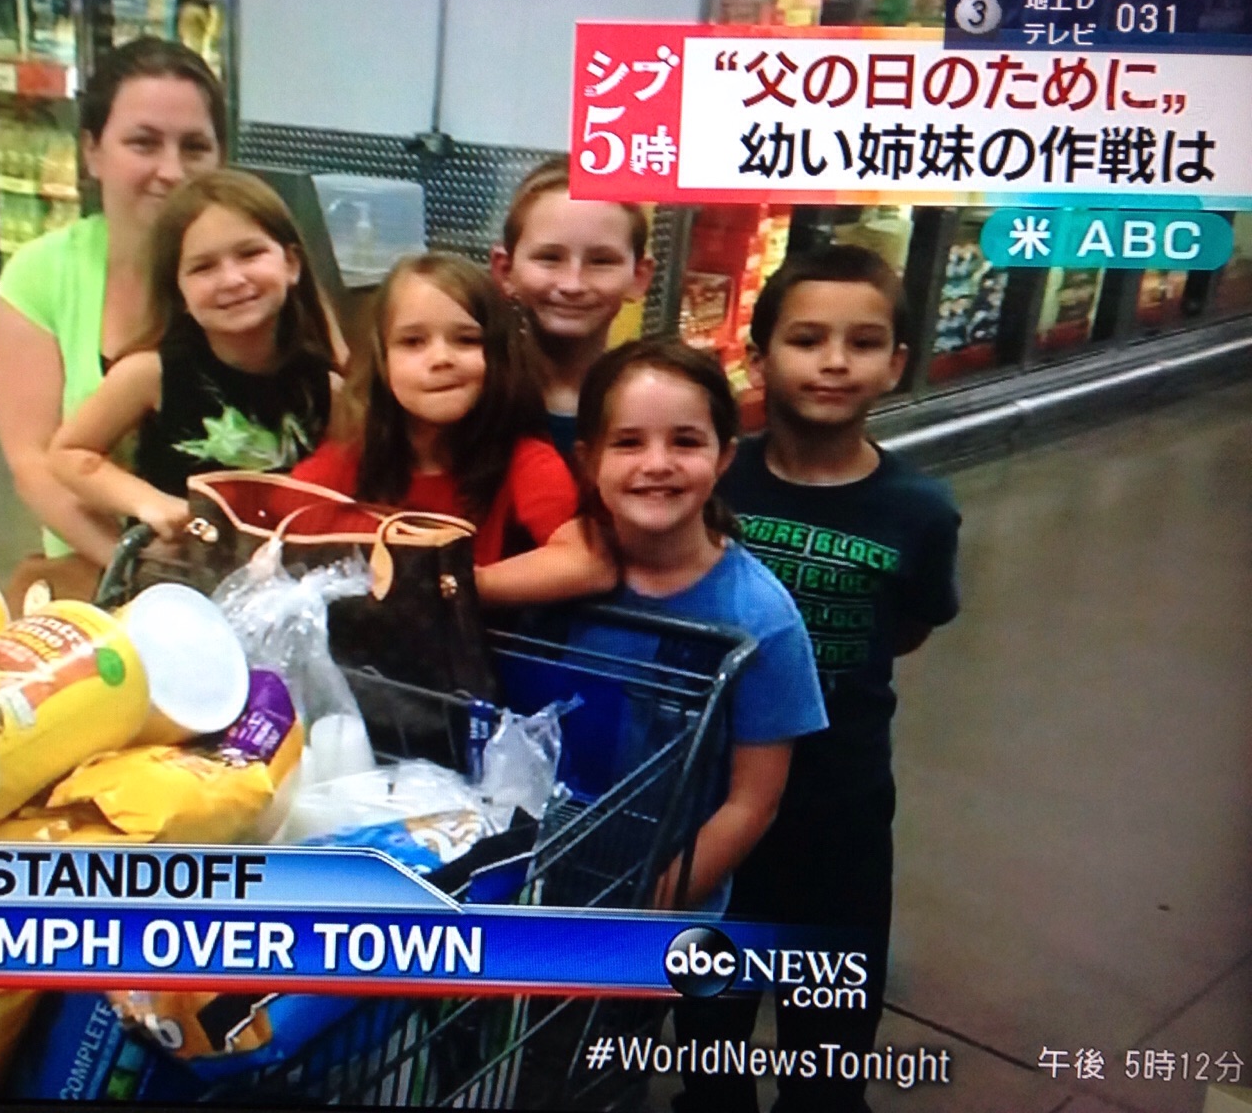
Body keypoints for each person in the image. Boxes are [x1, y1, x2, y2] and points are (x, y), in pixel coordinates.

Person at [699, 244, 962, 1113]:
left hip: (841, 806)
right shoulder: (712, 479)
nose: (835, 361)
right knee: (709, 1028)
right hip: (715, 801)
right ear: (758, 356)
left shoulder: (920, 510)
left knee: (830, 1041)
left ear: (896, 363)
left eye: (863, 342)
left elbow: (909, 627)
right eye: (807, 339)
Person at [0, 37, 343, 608]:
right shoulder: (41, 275)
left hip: (269, 591)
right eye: (143, 142)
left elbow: (345, 421)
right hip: (111, 579)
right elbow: (37, 464)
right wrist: (145, 572)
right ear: (92, 152)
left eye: (194, 146)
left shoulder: (277, 297)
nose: (171, 170)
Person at [566, 339, 827, 914]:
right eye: (628, 442)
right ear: (589, 459)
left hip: (653, 913)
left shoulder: (761, 618)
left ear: (724, 456)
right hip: (538, 889)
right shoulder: (557, 579)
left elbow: (752, 803)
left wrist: (646, 909)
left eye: (685, 442)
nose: (657, 464)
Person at [48, 170, 339, 542]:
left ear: (292, 264)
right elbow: (68, 453)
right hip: (173, 571)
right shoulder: (149, 374)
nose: (232, 279)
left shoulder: (328, 389)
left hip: (287, 574)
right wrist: (149, 502)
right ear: (178, 291)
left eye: (250, 254)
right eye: (204, 267)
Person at [292, 252, 594, 580]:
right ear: (381, 361)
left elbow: (588, 564)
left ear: (499, 356)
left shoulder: (524, 459)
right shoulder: (352, 454)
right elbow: (278, 514)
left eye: (466, 340)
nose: (441, 358)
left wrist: (458, 585)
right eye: (413, 342)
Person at [490, 157, 654, 458]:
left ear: (639, 277)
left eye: (601, 261)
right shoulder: (472, 397)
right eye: (549, 258)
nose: (573, 284)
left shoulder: (654, 409)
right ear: (505, 270)